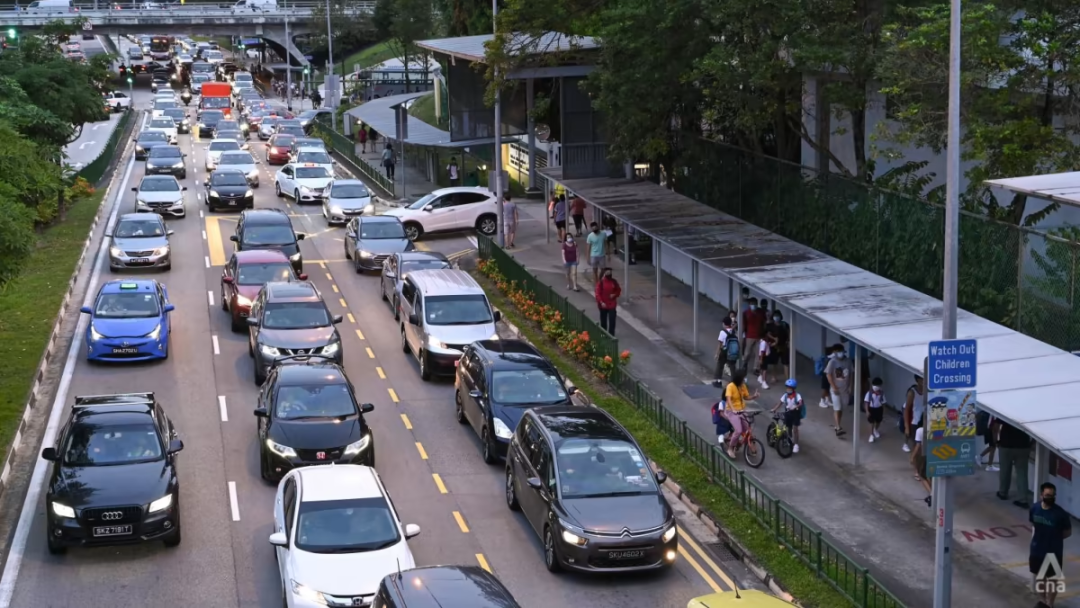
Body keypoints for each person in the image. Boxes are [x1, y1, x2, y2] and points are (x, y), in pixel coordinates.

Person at [1030, 482, 1071, 608]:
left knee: (1053, 580)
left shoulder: (1060, 514)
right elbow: (1033, 523)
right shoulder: (1035, 508)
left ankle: (1050, 604)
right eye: (1047, 495)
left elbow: (1067, 533)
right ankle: (1042, 601)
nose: (1050, 498)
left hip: (1054, 552)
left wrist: (1053, 539)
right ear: (1042, 495)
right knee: (1040, 577)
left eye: (1052, 495)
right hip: (1037, 550)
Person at [722, 369, 759, 459]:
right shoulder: (730, 386)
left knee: (748, 430)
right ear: (739, 378)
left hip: (741, 410)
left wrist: (754, 396)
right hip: (731, 411)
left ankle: (748, 446)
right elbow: (729, 399)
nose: (744, 380)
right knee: (738, 430)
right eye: (743, 378)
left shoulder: (742, 386)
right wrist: (733, 409)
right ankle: (730, 448)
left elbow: (746, 397)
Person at [997, 420, 1033, 508]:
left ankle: (1003, 493)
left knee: (1005, 470)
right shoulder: (1029, 411)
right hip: (1023, 446)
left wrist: (996, 441)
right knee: (1022, 473)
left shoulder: (1005, 409)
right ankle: (1023, 499)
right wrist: (1031, 444)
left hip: (1006, 445)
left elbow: (995, 426)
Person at [825, 343, 852, 436]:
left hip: (845, 390)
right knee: (837, 408)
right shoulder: (832, 362)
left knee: (841, 409)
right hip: (835, 390)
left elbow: (851, 374)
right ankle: (838, 427)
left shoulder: (848, 361)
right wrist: (834, 387)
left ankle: (838, 425)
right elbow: (828, 375)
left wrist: (850, 386)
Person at [770, 379, 803, 453]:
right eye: (787, 387)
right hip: (788, 413)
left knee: (795, 429)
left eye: (790, 388)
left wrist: (796, 406)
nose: (788, 389)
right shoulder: (785, 396)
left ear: (793, 389)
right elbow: (780, 403)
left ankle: (796, 444)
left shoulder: (797, 396)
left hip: (795, 414)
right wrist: (774, 409)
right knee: (788, 427)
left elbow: (800, 403)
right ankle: (790, 438)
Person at [740, 297, 766, 372]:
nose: (753, 305)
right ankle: (745, 364)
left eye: (754, 304)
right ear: (749, 304)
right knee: (747, 352)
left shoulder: (761, 312)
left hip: (759, 335)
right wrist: (743, 333)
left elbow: (764, 323)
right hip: (749, 335)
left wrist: (763, 333)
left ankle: (756, 368)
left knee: (758, 353)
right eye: (752, 304)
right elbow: (744, 324)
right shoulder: (746, 313)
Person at [713, 317, 739, 386]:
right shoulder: (733, 331)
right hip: (732, 351)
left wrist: (717, 354)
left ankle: (718, 381)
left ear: (724, 324)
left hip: (724, 351)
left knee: (720, 365)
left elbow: (720, 344)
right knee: (732, 367)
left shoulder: (722, 332)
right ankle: (734, 382)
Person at [902, 374, 925, 453]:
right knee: (916, 444)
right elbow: (906, 409)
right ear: (918, 380)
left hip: (923, 419)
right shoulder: (912, 393)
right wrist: (907, 427)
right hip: (914, 421)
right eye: (922, 379)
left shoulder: (927, 390)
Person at [910, 426, 932, 507]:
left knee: (922, 475)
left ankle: (932, 494)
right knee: (930, 475)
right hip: (936, 454)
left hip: (925, 455)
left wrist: (912, 456)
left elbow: (918, 446)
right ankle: (933, 493)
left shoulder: (920, 430)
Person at [595, 267, 621, 335]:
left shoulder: (614, 282)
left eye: (610, 273)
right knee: (603, 321)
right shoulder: (601, 283)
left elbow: (618, 290)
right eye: (607, 273)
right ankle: (603, 334)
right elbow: (597, 294)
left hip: (612, 304)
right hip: (603, 305)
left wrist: (614, 294)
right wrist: (601, 302)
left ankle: (611, 335)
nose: (609, 274)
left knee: (612, 320)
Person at [864, 378, 886, 442]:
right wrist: (867, 411)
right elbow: (866, 402)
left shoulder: (882, 393)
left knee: (878, 421)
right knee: (871, 422)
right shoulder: (869, 393)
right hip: (871, 409)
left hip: (879, 409)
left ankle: (875, 430)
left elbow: (884, 403)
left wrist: (883, 411)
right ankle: (871, 435)